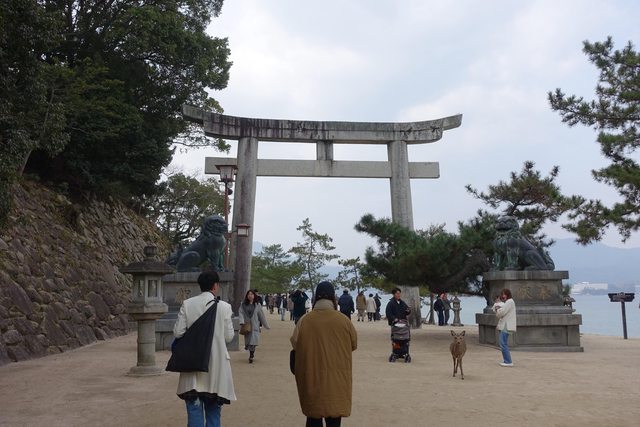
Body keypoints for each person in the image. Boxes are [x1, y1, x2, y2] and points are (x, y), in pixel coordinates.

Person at [173, 271, 236, 427]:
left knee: (194, 410)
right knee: (213, 412)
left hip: (192, 364)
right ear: (215, 286)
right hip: (216, 367)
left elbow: (178, 332)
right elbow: (229, 337)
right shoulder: (224, 307)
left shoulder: (187, 304)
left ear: (200, 286)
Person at [291, 281, 357, 427]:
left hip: (311, 376)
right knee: (334, 417)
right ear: (333, 297)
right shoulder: (344, 321)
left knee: (313, 416)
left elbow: (295, 343)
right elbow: (353, 344)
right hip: (337, 377)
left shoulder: (304, 320)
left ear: (316, 297)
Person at [239, 289, 270, 364]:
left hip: (255, 325)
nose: (250, 296)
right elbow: (240, 313)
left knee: (253, 342)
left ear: (254, 296)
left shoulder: (257, 305)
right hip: (247, 325)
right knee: (248, 341)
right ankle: (248, 348)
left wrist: (266, 325)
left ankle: (251, 355)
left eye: (252, 294)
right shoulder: (243, 305)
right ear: (247, 296)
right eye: (249, 294)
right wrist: (241, 321)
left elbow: (261, 316)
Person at [493, 288, 517, 367]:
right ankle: (507, 360)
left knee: (503, 343)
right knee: (504, 343)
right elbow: (502, 312)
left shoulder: (509, 302)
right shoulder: (509, 302)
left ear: (507, 294)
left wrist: (497, 309)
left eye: (504, 294)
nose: (503, 296)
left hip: (506, 325)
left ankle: (508, 361)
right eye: (502, 294)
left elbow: (502, 312)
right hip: (506, 325)